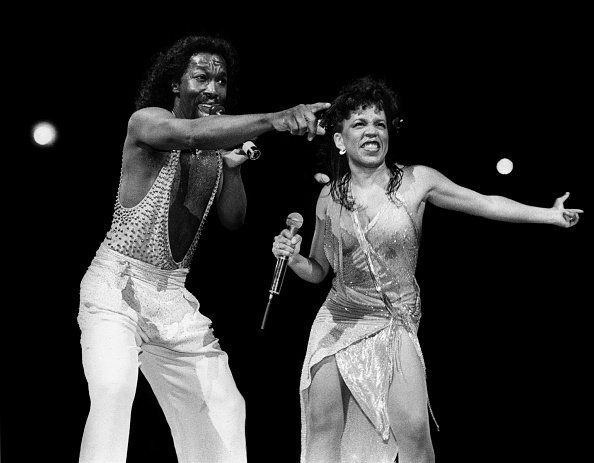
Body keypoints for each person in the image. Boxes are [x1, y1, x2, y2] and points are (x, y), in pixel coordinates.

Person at [271, 76, 582, 463]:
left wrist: (548, 215)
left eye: (379, 123)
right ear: (339, 140)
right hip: (337, 320)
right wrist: (294, 257)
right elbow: (319, 271)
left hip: (393, 322)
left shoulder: (417, 182)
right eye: (360, 124)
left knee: (415, 434)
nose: (372, 131)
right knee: (322, 428)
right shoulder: (328, 196)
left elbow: (485, 203)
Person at [77, 34, 329, 463]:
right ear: (176, 84)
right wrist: (277, 117)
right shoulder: (147, 122)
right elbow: (191, 133)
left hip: (171, 296)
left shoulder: (214, 151)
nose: (213, 89)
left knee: (226, 406)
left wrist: (232, 170)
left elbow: (233, 221)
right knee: (114, 390)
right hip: (115, 287)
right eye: (201, 78)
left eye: (221, 80)